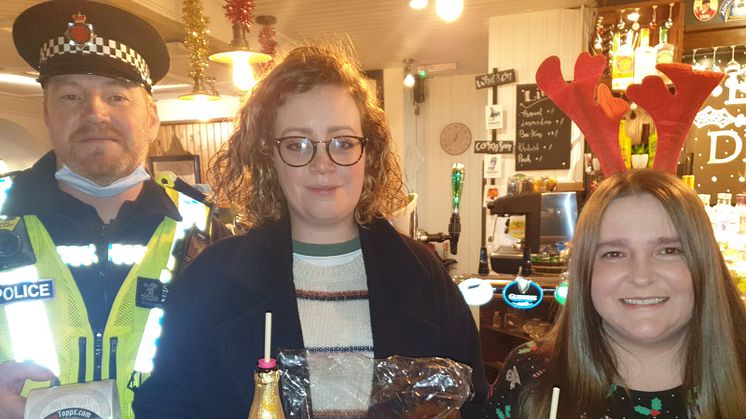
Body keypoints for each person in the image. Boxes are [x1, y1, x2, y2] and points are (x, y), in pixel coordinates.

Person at [132, 44, 488, 418]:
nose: (323, 164)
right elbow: (164, 406)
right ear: (269, 157)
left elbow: (471, 402)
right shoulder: (213, 280)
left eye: (343, 142)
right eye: (298, 144)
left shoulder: (420, 273)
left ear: (369, 152)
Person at [0, 2, 226, 418]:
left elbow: (239, 367)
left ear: (152, 119)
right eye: (70, 96)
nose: (94, 113)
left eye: (117, 95)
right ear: (47, 114)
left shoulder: (210, 235)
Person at [482, 169, 746, 418]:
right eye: (614, 254)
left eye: (669, 251)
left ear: (704, 264)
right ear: (586, 271)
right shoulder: (528, 374)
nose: (642, 276)